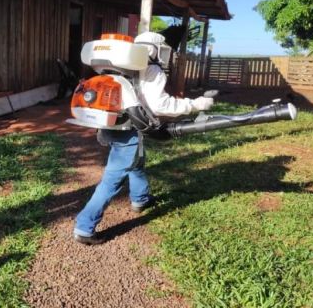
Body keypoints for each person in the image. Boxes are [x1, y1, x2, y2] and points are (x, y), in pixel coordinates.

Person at [73, 32, 214, 245]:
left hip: (109, 125)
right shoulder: (152, 69)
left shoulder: (115, 66)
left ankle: (141, 199)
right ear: (155, 49)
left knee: (136, 162)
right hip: (128, 129)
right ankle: (84, 227)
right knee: (112, 180)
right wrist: (195, 104)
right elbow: (160, 105)